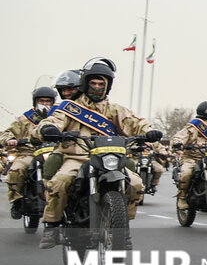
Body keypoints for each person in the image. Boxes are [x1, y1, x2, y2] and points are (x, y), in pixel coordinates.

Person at [35, 58, 160, 248]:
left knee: (135, 183)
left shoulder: (116, 110)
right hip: (76, 157)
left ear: (108, 86)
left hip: (110, 157)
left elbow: (137, 123)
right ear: (85, 83)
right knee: (60, 182)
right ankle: (51, 225)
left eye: (101, 83)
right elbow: (52, 121)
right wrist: (47, 130)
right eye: (93, 83)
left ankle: (122, 228)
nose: (97, 87)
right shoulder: (69, 108)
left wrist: (150, 131)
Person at [4, 86, 57, 215]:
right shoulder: (25, 119)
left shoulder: (58, 117)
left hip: (53, 151)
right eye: (41, 101)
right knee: (16, 170)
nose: (44, 104)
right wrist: (10, 139)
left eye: (47, 101)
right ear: (35, 102)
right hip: (29, 153)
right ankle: (16, 201)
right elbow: (6, 133)